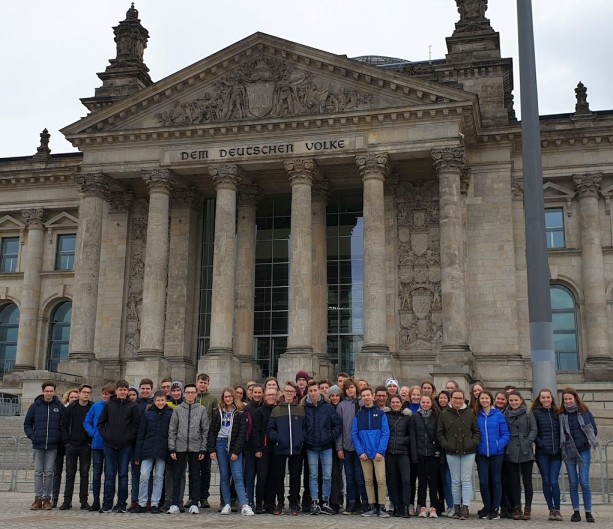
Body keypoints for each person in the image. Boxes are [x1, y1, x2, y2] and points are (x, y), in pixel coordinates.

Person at [208, 387, 254, 516]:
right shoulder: (218, 412)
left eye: (230, 396)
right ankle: (227, 504)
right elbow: (212, 431)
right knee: (224, 476)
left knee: (238, 476)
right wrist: (211, 449)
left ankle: (244, 504)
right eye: (225, 396)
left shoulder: (240, 412)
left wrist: (236, 451)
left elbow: (242, 433)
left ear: (234, 397)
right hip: (220, 443)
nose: (227, 399)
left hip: (234, 446)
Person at [97, 379, 140, 513]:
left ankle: (121, 503)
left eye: (125, 390)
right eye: (120, 389)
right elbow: (101, 423)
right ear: (116, 391)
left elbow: (135, 426)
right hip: (109, 445)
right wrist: (107, 436)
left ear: (127, 391)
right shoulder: (109, 405)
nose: (122, 392)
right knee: (109, 475)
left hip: (125, 446)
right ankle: (107, 503)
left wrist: (127, 437)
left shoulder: (133, 406)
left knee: (123, 475)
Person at [437, 388, 480, 520]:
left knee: (466, 480)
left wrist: (472, 443)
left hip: (468, 451)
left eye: (460, 398)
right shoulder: (444, 414)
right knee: (455, 481)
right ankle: (456, 507)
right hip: (452, 451)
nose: (458, 400)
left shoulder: (470, 413)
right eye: (455, 398)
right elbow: (440, 433)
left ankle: (465, 507)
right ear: (451, 399)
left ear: (463, 399)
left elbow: (476, 432)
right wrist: (446, 445)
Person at [167, 383, 209, 514]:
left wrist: (203, 449)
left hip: (195, 447)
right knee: (177, 475)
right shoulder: (178, 409)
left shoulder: (201, 409)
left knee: (195, 475)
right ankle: (175, 503)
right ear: (184, 394)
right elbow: (172, 430)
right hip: (179, 447)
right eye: (188, 392)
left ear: (196, 394)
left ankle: (194, 502)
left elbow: (205, 431)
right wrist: (172, 448)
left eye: (192, 392)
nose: (190, 394)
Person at [559, 387, 599, 523]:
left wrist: (586, 441)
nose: (568, 401)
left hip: (583, 450)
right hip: (568, 451)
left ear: (575, 398)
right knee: (573, 482)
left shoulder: (584, 412)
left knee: (584, 481)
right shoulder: (561, 414)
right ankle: (576, 511)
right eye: (565, 399)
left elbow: (593, 429)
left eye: (570, 398)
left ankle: (588, 512)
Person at [303, 380, 342, 515]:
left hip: (326, 446)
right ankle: (314, 502)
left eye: (315, 390)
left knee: (327, 476)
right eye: (311, 391)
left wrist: (329, 437)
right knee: (313, 475)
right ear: (308, 392)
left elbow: (337, 425)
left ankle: (325, 501)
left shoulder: (328, 407)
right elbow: (302, 427)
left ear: (319, 391)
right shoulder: (304, 407)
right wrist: (306, 438)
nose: (313, 393)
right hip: (311, 447)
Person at [267, 381, 306, 516]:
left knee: (295, 477)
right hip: (280, 448)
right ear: (283, 392)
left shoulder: (300, 409)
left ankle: (294, 503)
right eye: (287, 391)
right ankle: (281, 503)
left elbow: (305, 428)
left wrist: (301, 439)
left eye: (292, 391)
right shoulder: (276, 409)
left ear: (295, 394)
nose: (289, 393)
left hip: (296, 449)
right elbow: (270, 429)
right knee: (279, 477)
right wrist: (277, 438)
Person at [24, 381, 64, 511]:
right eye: (47, 391)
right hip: (38, 444)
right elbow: (27, 424)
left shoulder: (59, 406)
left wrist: (59, 437)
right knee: (37, 472)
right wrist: (32, 435)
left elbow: (63, 424)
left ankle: (47, 499)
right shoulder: (35, 406)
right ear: (43, 391)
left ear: (54, 391)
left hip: (52, 445)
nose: (49, 393)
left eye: (51, 391)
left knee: (48, 473)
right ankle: (37, 498)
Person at [352, 386, 390, 518]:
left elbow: (385, 433)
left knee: (380, 480)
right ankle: (372, 506)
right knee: (368, 480)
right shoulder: (358, 415)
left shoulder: (380, 414)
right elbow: (354, 434)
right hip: (364, 454)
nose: (366, 397)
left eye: (368, 395)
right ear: (362, 398)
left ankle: (382, 506)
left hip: (378, 453)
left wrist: (381, 450)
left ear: (373, 396)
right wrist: (360, 451)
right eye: (364, 396)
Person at [134, 390, 173, 513]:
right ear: (154, 401)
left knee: (159, 477)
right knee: (144, 476)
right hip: (147, 450)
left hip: (162, 450)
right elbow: (141, 435)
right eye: (158, 400)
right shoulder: (147, 414)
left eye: (162, 400)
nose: (160, 402)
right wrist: (138, 454)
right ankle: (142, 503)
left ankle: (155, 504)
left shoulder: (170, 414)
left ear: (165, 400)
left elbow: (171, 434)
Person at [475, 390, 509, 520]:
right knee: (483, 482)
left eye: (486, 398)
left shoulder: (498, 415)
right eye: (482, 398)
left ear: (491, 400)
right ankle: (487, 507)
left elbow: (505, 434)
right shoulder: (476, 415)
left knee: (496, 481)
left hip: (497, 454)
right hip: (481, 454)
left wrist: (498, 445)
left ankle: (495, 508)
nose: (484, 400)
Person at [336, 377, 368, 515]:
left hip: (361, 447)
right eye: (347, 388)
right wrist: (339, 447)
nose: (350, 389)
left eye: (352, 387)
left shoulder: (362, 403)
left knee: (360, 476)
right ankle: (351, 502)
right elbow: (339, 428)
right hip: (347, 446)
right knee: (349, 476)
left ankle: (365, 501)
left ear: (356, 388)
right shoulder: (341, 406)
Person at [504, 390, 537, 520]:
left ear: (521, 400)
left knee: (527, 481)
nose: (514, 402)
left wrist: (528, 442)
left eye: (516, 400)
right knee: (514, 482)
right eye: (511, 400)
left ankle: (527, 508)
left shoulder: (528, 413)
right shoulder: (505, 414)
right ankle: (516, 508)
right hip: (511, 449)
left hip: (525, 450)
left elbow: (534, 429)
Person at [59, 384, 93, 510]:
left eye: (88, 392)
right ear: (79, 393)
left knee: (84, 474)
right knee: (70, 473)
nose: (86, 394)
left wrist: (90, 441)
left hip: (86, 445)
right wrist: (66, 441)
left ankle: (83, 501)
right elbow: (63, 425)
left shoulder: (92, 407)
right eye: (84, 392)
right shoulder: (70, 408)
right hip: (71, 445)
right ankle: (67, 501)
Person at [531, 388, 563, 521]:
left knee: (554, 481)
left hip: (556, 453)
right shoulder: (535, 413)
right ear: (539, 399)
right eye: (543, 397)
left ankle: (557, 509)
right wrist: (540, 443)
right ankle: (551, 509)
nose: (546, 399)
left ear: (552, 398)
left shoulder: (558, 413)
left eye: (548, 397)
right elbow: (534, 431)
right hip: (542, 453)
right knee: (546, 480)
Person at [83, 383, 115, 512]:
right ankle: (96, 501)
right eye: (103, 393)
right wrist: (93, 433)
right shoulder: (96, 406)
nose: (104, 396)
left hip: (111, 445)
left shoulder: (115, 407)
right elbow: (86, 422)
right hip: (97, 445)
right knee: (96, 474)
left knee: (109, 475)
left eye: (107, 394)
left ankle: (107, 502)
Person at [413, 394, 441, 518]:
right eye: (423, 402)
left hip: (432, 453)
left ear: (431, 403)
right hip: (420, 453)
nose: (425, 404)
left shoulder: (436, 416)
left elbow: (438, 435)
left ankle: (434, 507)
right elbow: (413, 436)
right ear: (420, 403)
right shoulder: (415, 417)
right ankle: (422, 506)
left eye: (427, 402)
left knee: (433, 481)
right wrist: (414, 454)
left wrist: (437, 450)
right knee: (422, 482)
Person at [386, 394, 413, 518]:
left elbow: (411, 435)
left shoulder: (407, 417)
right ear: (390, 403)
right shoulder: (386, 416)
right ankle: (396, 506)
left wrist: (403, 441)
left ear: (401, 403)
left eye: (398, 402)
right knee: (392, 481)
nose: (395, 404)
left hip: (403, 453)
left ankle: (406, 506)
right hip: (390, 453)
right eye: (393, 402)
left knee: (406, 480)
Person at [253, 386, 278, 513]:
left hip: (277, 448)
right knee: (262, 476)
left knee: (273, 477)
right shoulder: (260, 411)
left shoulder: (279, 410)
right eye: (269, 395)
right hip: (263, 448)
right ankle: (259, 503)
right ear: (264, 396)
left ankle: (270, 503)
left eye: (273, 394)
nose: (271, 397)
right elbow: (256, 431)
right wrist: (257, 448)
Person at [51, 388, 78, 508]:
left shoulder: (79, 410)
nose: (74, 399)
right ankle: (54, 498)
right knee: (57, 472)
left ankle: (67, 500)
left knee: (70, 473)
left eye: (76, 397)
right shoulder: (62, 409)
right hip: (60, 444)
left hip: (72, 444)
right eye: (72, 397)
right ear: (67, 398)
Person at [196, 373, 218, 509]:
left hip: (207, 438)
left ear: (208, 384)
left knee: (206, 470)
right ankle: (193, 496)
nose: (202, 385)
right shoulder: (192, 396)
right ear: (197, 383)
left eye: (205, 383)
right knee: (193, 470)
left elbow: (215, 420)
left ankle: (204, 497)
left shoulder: (213, 399)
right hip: (192, 439)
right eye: (200, 382)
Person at [243, 383, 263, 508]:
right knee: (249, 476)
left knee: (262, 477)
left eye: (259, 392)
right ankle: (249, 500)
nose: (257, 395)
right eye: (255, 392)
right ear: (251, 393)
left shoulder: (266, 407)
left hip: (263, 447)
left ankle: (261, 501)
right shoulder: (247, 408)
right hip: (249, 447)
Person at [327, 385, 344, 513]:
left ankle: (336, 501)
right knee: (330, 474)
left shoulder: (342, 407)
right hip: (328, 444)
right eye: (332, 395)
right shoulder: (327, 408)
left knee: (337, 474)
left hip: (339, 444)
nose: (334, 398)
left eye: (337, 395)